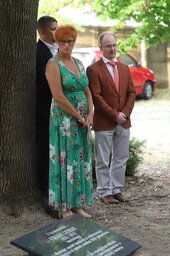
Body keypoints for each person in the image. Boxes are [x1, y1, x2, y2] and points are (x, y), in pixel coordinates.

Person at [46, 25, 94, 218]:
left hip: (82, 120)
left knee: (79, 158)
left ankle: (77, 204)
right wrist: (78, 115)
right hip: (64, 120)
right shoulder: (53, 64)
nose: (67, 45)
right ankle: (63, 207)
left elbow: (87, 91)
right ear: (57, 42)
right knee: (65, 158)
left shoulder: (79, 63)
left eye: (70, 41)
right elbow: (58, 96)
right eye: (63, 41)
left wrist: (91, 114)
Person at [87, 32, 136, 204]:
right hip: (104, 122)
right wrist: (115, 115)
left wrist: (125, 114)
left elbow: (131, 92)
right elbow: (96, 97)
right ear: (101, 48)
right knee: (102, 159)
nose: (112, 48)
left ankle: (116, 189)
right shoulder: (93, 70)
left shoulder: (124, 68)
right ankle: (104, 191)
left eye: (114, 45)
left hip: (124, 121)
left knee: (121, 157)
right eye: (108, 46)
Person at [36, 16, 58, 199]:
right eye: (53, 29)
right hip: (46, 110)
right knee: (45, 151)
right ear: (42, 32)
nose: (57, 32)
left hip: (61, 111)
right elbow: (42, 83)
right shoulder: (38, 52)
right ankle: (44, 191)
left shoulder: (60, 49)